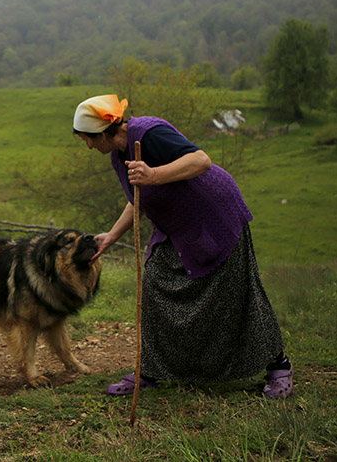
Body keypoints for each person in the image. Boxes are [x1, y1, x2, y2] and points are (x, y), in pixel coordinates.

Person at [72, 94, 293, 399]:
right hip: (177, 228)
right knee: (154, 285)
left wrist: (154, 174)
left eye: (89, 139)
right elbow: (139, 197)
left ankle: (278, 365)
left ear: (103, 132)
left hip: (213, 220)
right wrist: (112, 235)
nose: (89, 146)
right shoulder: (118, 154)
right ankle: (150, 371)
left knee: (236, 294)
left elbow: (201, 161)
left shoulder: (150, 133)